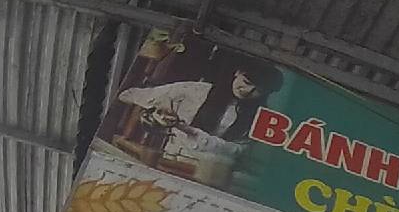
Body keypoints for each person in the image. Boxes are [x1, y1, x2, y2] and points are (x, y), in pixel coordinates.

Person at [116, 58, 284, 160]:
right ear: (237, 73)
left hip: (214, 174)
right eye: (246, 82)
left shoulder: (261, 119)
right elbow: (127, 95)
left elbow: (238, 151)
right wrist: (161, 104)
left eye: (258, 90)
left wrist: (185, 129)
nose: (247, 91)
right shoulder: (197, 90)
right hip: (169, 159)